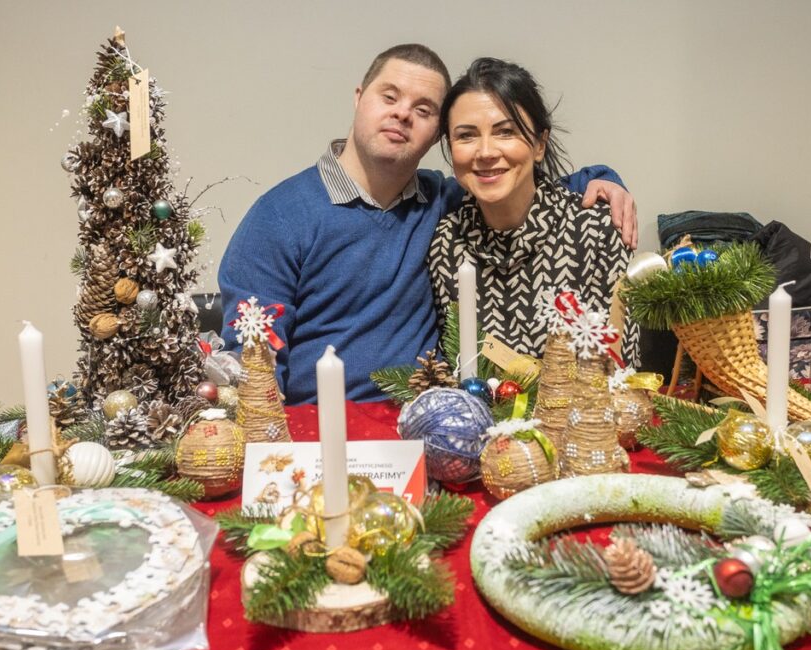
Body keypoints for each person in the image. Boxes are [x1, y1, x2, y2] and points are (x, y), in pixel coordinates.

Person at [219, 45, 637, 404]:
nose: (402, 114)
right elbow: (253, 359)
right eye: (389, 97)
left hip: (425, 426)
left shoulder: (441, 204)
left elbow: (517, 182)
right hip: (313, 429)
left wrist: (602, 180)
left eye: (423, 109)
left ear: (436, 134)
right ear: (359, 97)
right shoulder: (278, 216)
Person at [428, 58, 639, 365]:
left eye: (505, 131)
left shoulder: (596, 231)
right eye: (466, 136)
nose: (486, 152)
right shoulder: (445, 244)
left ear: (540, 144)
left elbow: (623, 373)